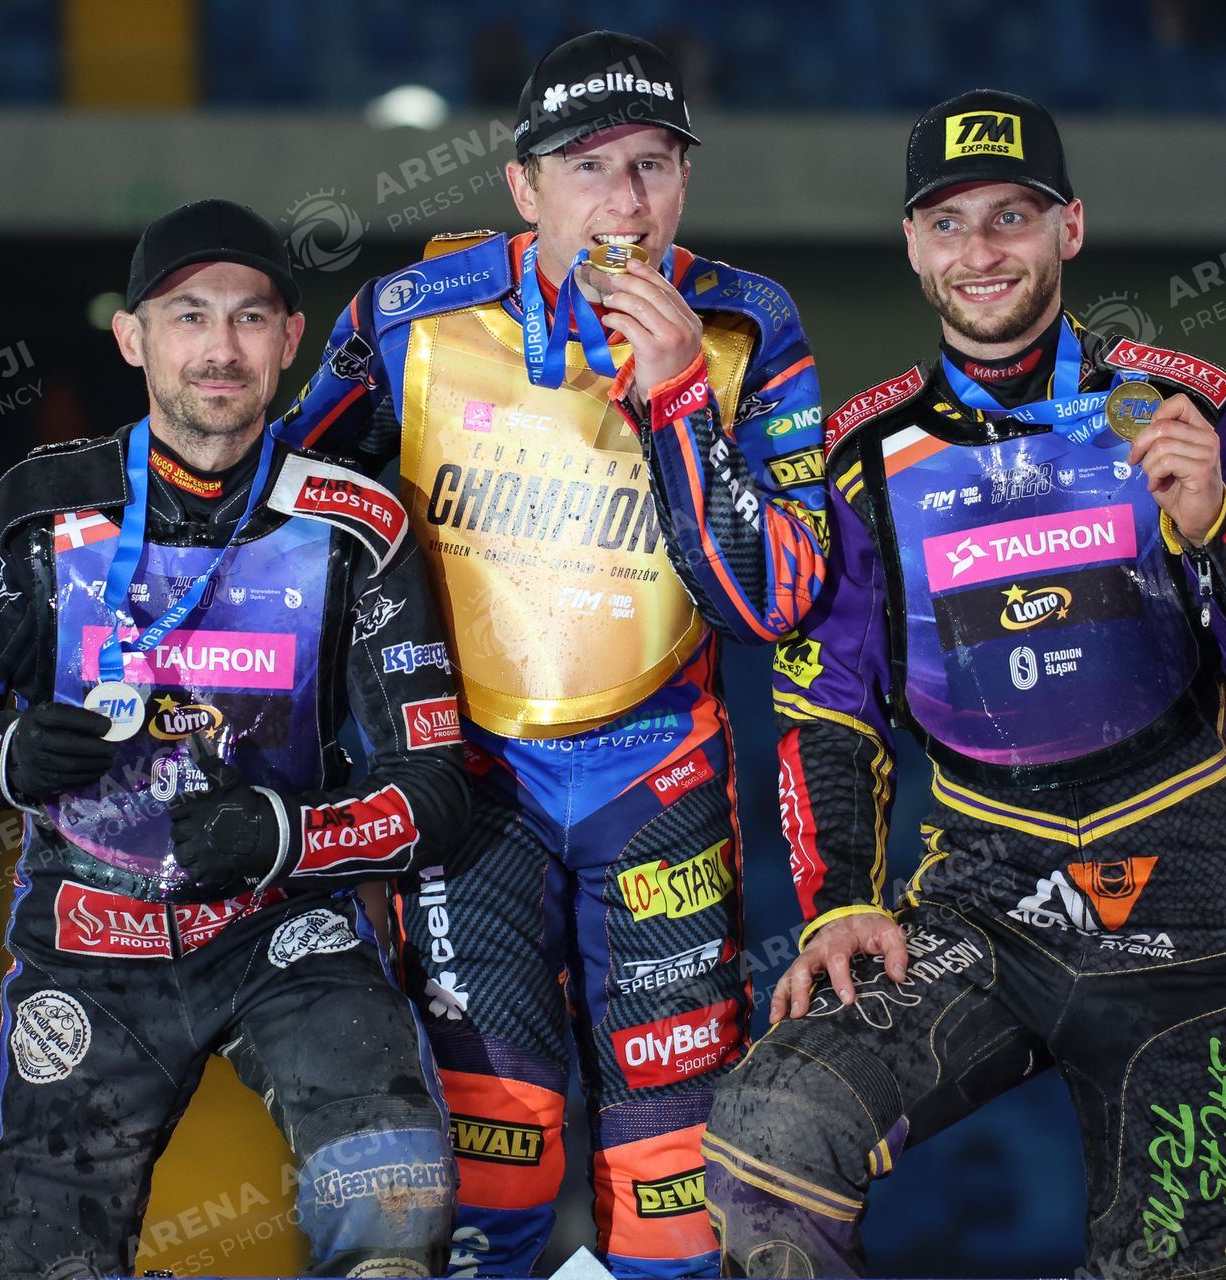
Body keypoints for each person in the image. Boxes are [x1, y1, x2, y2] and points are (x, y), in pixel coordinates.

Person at [702, 90, 1226, 1279]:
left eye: (1012, 215)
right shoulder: (859, 457)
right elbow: (827, 703)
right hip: (984, 898)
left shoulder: (1200, 410)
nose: (981, 250)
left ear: (1071, 227)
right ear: (912, 246)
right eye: (948, 223)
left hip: (1188, 903)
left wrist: (1218, 527)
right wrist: (839, 898)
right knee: (773, 1132)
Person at [273, 31, 828, 1278]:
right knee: (490, 1177)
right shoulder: (410, 315)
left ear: (684, 181)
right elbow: (285, 530)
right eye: (588, 167)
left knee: (676, 1195)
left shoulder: (749, 325)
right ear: (523, 187)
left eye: (652, 166)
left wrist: (678, 391)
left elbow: (779, 597)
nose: (625, 203)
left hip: (661, 786)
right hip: (473, 793)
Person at [0, 199, 469, 1279]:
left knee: (393, 1187)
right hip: (89, 939)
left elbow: (434, 791)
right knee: (43, 1263)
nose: (220, 348)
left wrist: (284, 834)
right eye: (189, 315)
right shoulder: (35, 511)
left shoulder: (359, 523)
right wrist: (10, 754)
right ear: (133, 337)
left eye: (250, 318)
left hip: (285, 928)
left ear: (290, 340)